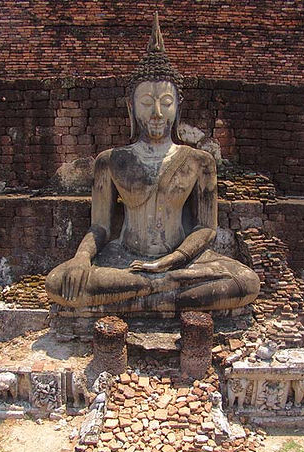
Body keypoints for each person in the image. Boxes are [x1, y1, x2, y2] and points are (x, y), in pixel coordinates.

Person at [45, 13, 260, 314]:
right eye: (147, 103)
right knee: (58, 282)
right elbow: (101, 227)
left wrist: (172, 260)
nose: (157, 112)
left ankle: (144, 293)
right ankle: (160, 292)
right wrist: (82, 258)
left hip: (182, 261)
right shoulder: (111, 161)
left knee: (247, 281)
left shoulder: (200, 161)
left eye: (166, 103)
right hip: (124, 259)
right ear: (131, 109)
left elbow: (206, 229)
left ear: (177, 109)